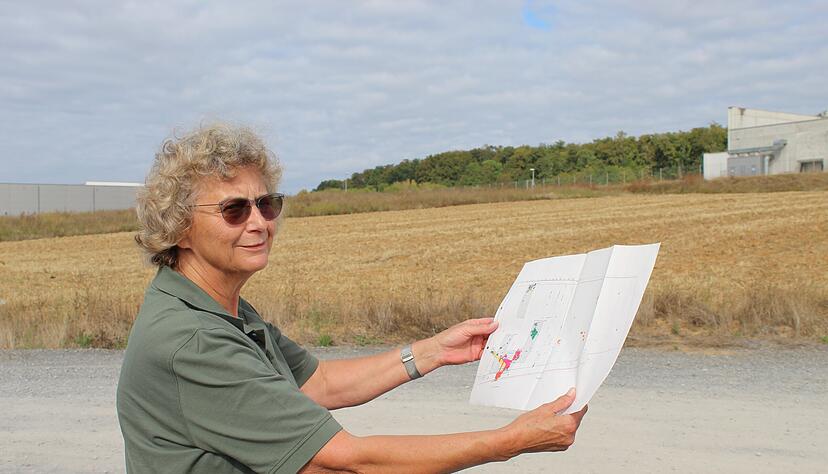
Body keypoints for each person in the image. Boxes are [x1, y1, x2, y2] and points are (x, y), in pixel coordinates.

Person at [116, 123, 587, 473]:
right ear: (179, 227)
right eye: (234, 209)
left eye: (267, 203)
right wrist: (511, 440)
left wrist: (431, 352)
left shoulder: (216, 304)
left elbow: (319, 384)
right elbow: (345, 463)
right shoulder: (192, 339)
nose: (259, 222)